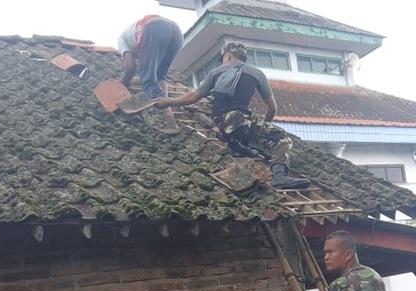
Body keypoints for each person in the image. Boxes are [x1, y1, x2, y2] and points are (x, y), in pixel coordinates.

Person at [156, 42, 309, 189]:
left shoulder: (215, 73)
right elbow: (272, 109)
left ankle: (235, 144)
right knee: (282, 139)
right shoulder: (256, 73)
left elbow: (193, 97)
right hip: (240, 123)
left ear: (228, 56)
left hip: (221, 124)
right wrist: (264, 132)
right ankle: (279, 177)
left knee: (242, 131)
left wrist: (167, 102)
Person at [117, 15, 182, 99]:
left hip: (155, 27)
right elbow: (159, 78)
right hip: (177, 32)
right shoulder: (133, 37)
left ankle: (156, 98)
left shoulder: (121, 40)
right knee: (160, 75)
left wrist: (123, 82)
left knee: (147, 76)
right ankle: (165, 104)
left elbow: (130, 67)